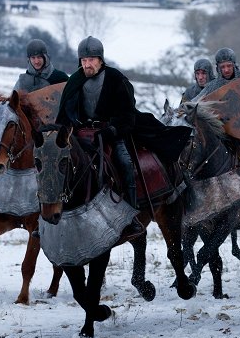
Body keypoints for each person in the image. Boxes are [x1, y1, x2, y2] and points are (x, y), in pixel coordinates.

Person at [56, 36, 191, 239]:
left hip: (112, 134)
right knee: (57, 164)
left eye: (91, 59)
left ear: (100, 59)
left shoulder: (115, 79)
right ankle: (53, 212)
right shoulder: (74, 81)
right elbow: (64, 114)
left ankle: (132, 216)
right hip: (80, 137)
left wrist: (111, 130)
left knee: (125, 163)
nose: (87, 64)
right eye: (84, 60)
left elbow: (127, 114)